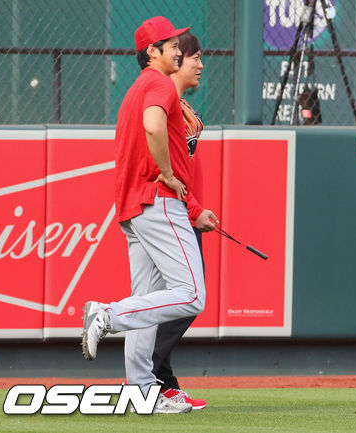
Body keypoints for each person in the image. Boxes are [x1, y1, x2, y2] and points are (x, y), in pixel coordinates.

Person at [81, 16, 214, 414]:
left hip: (133, 207)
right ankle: (107, 314)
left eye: (177, 43)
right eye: (171, 45)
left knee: (148, 300)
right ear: (151, 52)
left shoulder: (136, 88)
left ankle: (142, 390)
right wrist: (170, 176)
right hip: (157, 200)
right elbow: (154, 126)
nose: (178, 49)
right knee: (191, 294)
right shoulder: (157, 83)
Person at [150, 30, 212, 411]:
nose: (200, 64)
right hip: (173, 212)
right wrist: (191, 211)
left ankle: (161, 381)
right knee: (188, 297)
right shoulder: (162, 102)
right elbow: (164, 170)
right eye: (193, 57)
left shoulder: (178, 104)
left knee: (175, 299)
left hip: (186, 211)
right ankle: (148, 376)